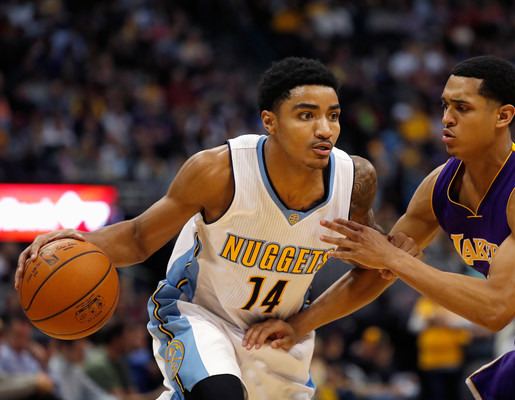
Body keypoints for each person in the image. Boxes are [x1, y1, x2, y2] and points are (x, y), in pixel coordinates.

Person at [15, 57, 420, 400]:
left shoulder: (354, 181)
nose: (325, 129)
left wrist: (305, 321)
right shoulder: (219, 171)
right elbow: (140, 238)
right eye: (306, 115)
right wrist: (78, 241)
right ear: (270, 122)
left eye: (333, 116)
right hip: (198, 315)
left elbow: (372, 272)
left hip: (277, 335)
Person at [314, 55, 515, 400]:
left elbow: (495, 309)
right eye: (445, 105)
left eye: (462, 108)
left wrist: (394, 259)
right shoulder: (439, 186)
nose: (446, 119)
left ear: (503, 116)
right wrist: (298, 325)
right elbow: (377, 271)